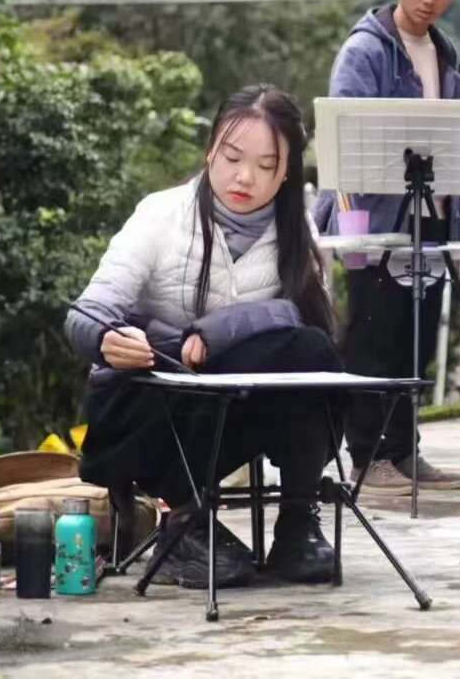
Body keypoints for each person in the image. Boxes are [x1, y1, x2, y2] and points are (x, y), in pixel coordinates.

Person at [66, 85, 340, 588]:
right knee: (259, 359)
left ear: (285, 174)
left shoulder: (296, 229)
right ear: (211, 149)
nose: (244, 177)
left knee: (313, 353)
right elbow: (86, 313)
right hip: (147, 413)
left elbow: (312, 326)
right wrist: (109, 337)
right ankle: (185, 524)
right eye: (233, 157)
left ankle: (298, 526)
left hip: (229, 414)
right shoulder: (162, 215)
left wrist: (218, 332)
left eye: (265, 165)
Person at [312, 0, 460, 496]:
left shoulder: (445, 52)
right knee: (373, 336)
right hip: (373, 217)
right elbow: (345, 138)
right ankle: (367, 457)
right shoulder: (366, 49)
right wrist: (353, 229)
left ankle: (405, 451)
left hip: (429, 212)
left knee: (417, 335)